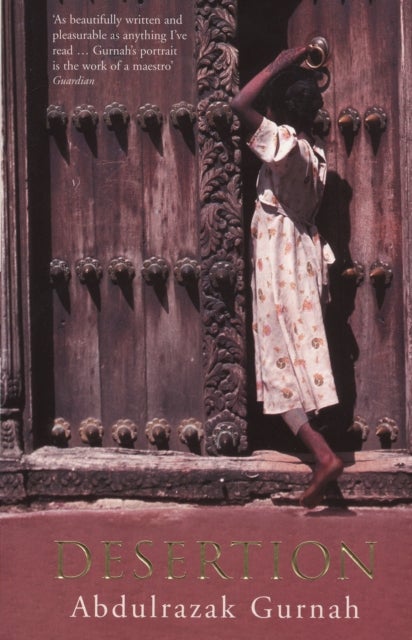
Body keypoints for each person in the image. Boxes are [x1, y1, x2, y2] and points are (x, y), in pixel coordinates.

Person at [231, 47, 343, 508]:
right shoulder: (315, 155)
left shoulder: (285, 145)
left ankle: (323, 455)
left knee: (280, 360)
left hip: (280, 265)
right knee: (296, 354)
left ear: (280, 108)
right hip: (297, 260)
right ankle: (322, 451)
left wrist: (277, 65)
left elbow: (239, 104)